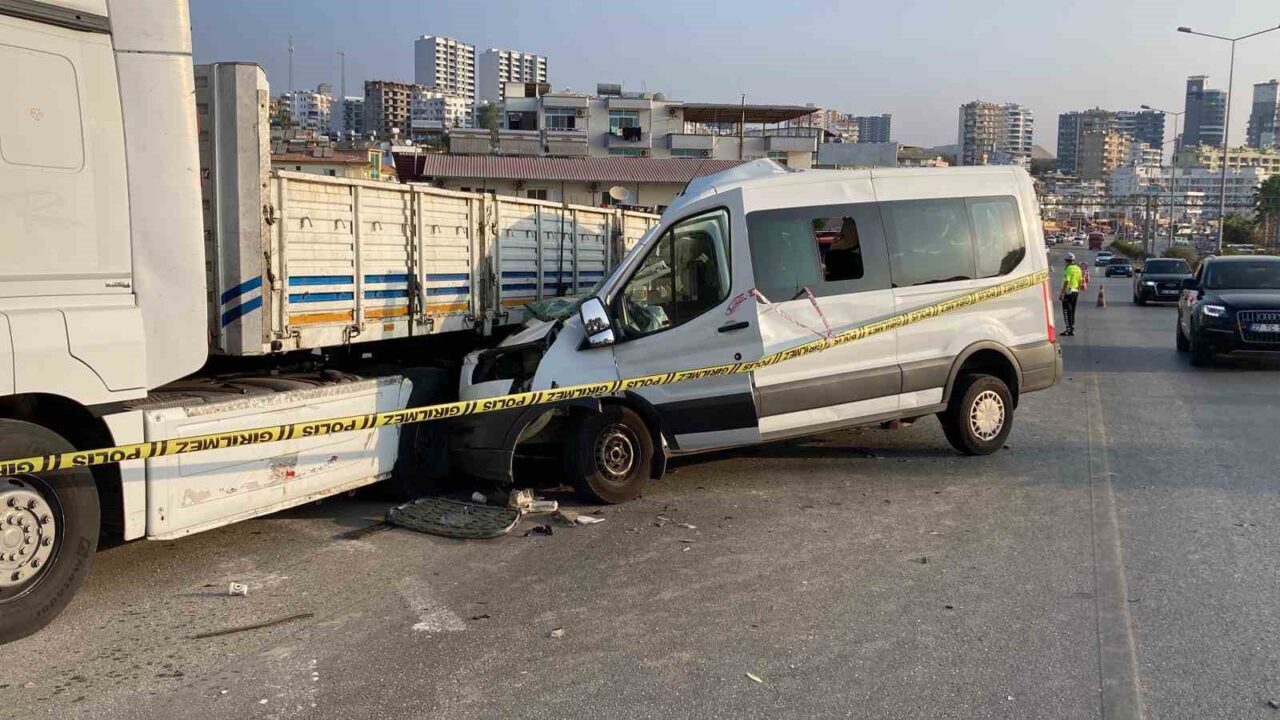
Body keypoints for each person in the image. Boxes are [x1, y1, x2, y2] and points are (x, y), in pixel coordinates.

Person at [1060, 252, 1083, 336]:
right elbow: (1080, 280)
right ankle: (1071, 328)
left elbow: (1066, 281)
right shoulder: (1078, 268)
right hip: (1075, 291)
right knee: (1072, 310)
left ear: (1066, 261)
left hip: (1068, 292)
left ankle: (1068, 329)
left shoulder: (1068, 269)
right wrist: (1078, 289)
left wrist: (1062, 293)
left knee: (1066, 310)